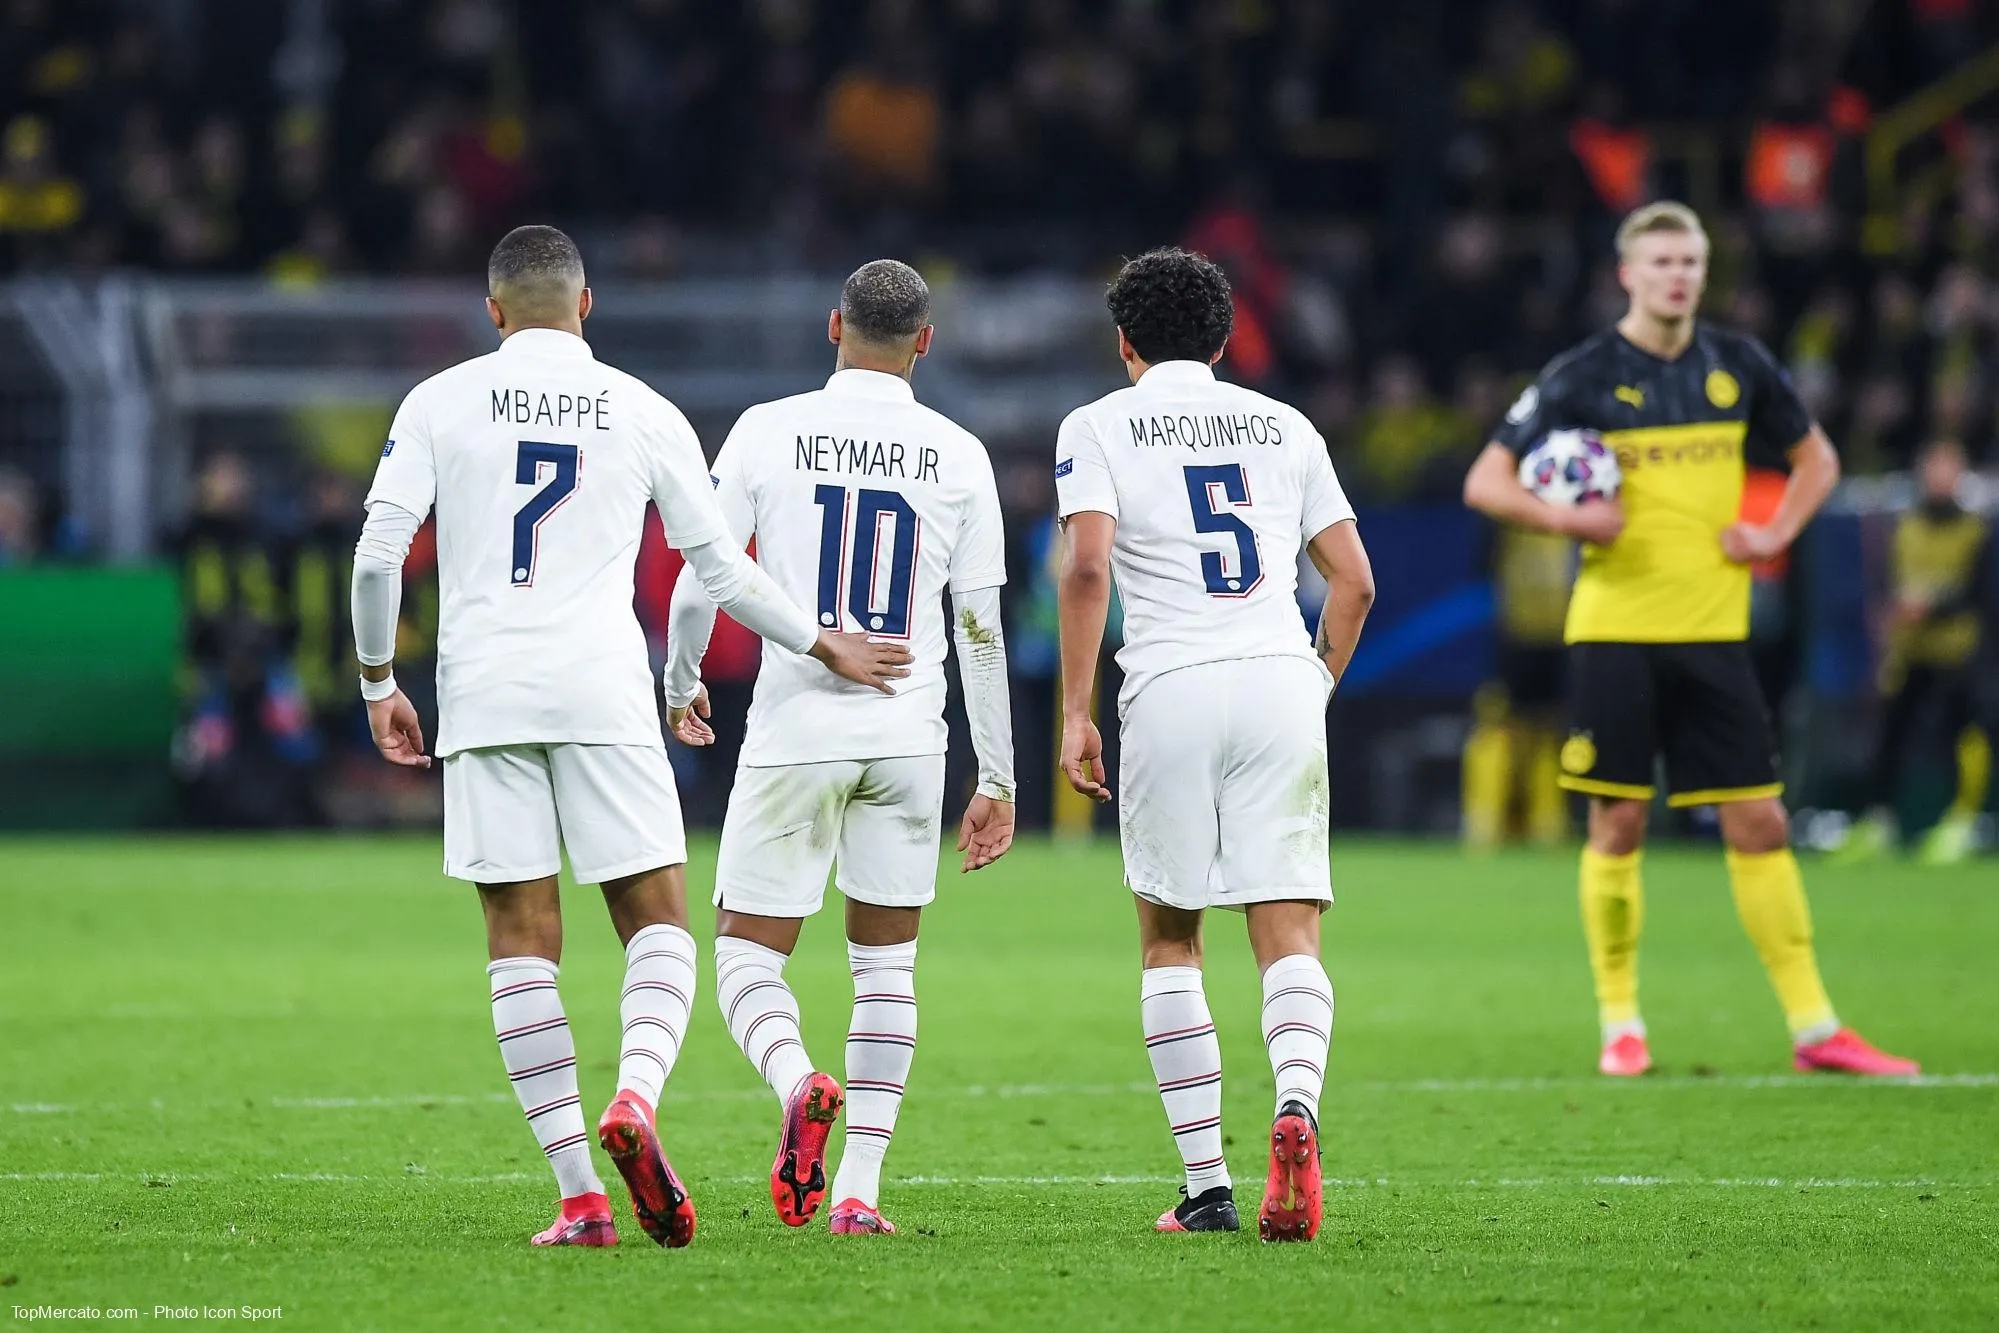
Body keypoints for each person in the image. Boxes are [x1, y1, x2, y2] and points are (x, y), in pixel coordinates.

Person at [348, 225, 910, 1249]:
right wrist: (822, 642)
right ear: (587, 305)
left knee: (520, 942)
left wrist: (378, 678)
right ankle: (637, 1097)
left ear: (492, 311)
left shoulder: (437, 401)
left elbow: (379, 553)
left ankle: (580, 1196)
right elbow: (723, 568)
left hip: (483, 688)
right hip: (604, 685)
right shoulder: (641, 407)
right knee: (655, 922)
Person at [1461, 201, 1918, 1079]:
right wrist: (1564, 517)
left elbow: (1816, 460)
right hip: (1616, 630)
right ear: (1627, 273)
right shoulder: (1582, 373)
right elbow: (1487, 480)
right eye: (1662, 261)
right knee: (1618, 822)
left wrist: (1776, 530)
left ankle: (1814, 1024)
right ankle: (1620, 1025)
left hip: (1714, 632)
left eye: (1692, 262)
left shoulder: (1736, 364)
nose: (1679, 275)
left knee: (1759, 820)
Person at [663, 260, 1016, 1237]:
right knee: (887, 972)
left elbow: (703, 580)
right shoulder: (958, 453)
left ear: (833, 327)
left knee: (743, 958)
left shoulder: (768, 431)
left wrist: (682, 678)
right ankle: (858, 1193)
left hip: (797, 728)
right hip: (910, 736)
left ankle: (795, 1077)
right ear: (925, 342)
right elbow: (980, 623)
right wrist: (997, 776)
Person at [1054, 248, 1375, 1242]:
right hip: (1279, 673)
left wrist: (1075, 709)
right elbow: (1355, 582)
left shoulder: (1098, 424)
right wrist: (1313, 682)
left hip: (1171, 687)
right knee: (1287, 930)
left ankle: (1207, 1186)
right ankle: (1296, 1106)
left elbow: (1086, 566)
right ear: (1226, 339)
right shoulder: (1285, 425)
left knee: (1171, 936)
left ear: (1124, 344)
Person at [1838, 438, 1992, 865]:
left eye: (1949, 467)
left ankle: (1960, 823)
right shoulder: (1905, 525)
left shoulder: (1976, 529)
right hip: (1909, 651)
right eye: (1934, 466)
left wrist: (1932, 606)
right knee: (1890, 737)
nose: (1940, 476)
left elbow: (1979, 594)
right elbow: (1886, 582)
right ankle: (1879, 823)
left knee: (1961, 738)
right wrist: (1893, 614)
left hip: (1958, 651)